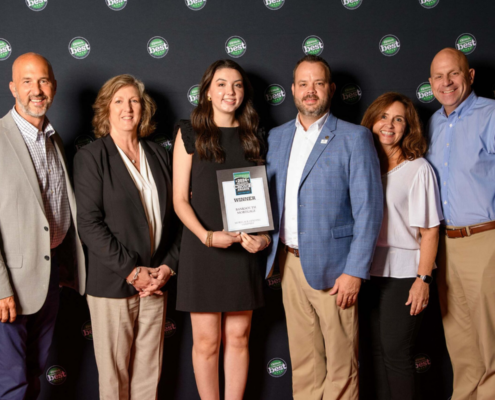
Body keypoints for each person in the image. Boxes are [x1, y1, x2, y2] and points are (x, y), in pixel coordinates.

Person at [264, 55, 383, 400]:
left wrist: (355, 271)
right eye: (303, 84)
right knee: (304, 361)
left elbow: (369, 209)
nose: (310, 91)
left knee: (342, 364)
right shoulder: (276, 137)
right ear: (293, 90)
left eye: (318, 83)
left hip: (336, 270)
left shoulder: (354, 137)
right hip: (289, 265)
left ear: (330, 89)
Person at [73, 74, 180, 400]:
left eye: (134, 100)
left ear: (143, 109)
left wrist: (167, 268)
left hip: (156, 283)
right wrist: (133, 272)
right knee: (115, 378)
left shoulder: (158, 154)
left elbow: (177, 218)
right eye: (118, 101)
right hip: (114, 284)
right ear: (105, 109)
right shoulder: (92, 157)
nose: (127, 107)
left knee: (149, 376)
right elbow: (89, 224)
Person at [173, 59, 267, 400]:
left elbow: (259, 203)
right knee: (207, 341)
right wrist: (207, 236)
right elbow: (180, 200)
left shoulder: (253, 137)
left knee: (240, 338)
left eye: (238, 85)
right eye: (223, 84)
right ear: (208, 91)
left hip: (243, 252)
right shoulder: (189, 133)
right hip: (203, 250)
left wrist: (263, 238)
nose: (231, 91)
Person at [0, 53, 86, 399]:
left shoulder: (54, 139)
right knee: (12, 378)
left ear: (53, 86)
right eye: (27, 81)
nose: (37, 89)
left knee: (34, 371)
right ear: (12, 89)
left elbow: (52, 205)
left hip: (50, 276)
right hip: (10, 284)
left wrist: (65, 262)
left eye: (44, 80)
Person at [359, 92, 443, 400]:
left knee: (396, 354)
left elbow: (430, 231)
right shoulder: (363, 166)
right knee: (376, 354)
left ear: (408, 128)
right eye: (383, 117)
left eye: (398, 120)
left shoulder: (417, 169)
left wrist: (423, 280)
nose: (389, 125)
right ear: (371, 121)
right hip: (368, 272)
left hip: (406, 274)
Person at [426, 48, 495, 400]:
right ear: (430, 83)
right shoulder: (433, 123)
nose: (446, 82)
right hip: (446, 246)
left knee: (492, 341)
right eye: (439, 76)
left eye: (454, 74)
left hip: (486, 239)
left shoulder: (491, 114)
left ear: (469, 76)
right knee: (461, 342)